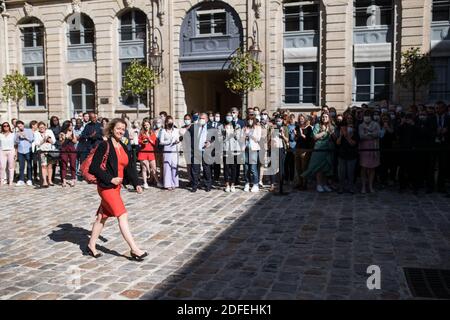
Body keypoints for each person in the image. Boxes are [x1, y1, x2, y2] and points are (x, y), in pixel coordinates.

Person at [87, 118, 147, 261]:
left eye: (123, 129)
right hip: (107, 187)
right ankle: (134, 249)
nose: (121, 131)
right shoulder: (104, 145)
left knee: (102, 217)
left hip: (117, 187)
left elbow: (129, 166)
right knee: (122, 215)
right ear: (112, 129)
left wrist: (136, 183)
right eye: (118, 128)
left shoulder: (123, 145)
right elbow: (93, 168)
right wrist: (110, 179)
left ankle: (91, 245)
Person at [302, 113, 335, 193]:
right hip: (319, 148)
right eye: (323, 117)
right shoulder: (317, 125)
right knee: (318, 167)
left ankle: (324, 184)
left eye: (326, 117)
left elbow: (334, 137)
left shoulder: (332, 126)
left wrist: (331, 133)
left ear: (329, 118)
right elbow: (314, 137)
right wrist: (324, 132)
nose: (324, 118)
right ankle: (319, 184)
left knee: (326, 167)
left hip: (328, 149)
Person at [188, 113, 213, 192]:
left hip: (206, 151)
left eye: (203, 118)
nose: (201, 120)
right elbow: (186, 134)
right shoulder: (194, 127)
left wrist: (210, 142)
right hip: (196, 151)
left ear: (207, 119)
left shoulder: (210, 127)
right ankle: (194, 186)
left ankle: (207, 185)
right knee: (195, 169)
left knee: (207, 169)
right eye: (200, 118)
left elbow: (214, 138)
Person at [359, 110, 380, 193]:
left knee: (372, 168)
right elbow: (361, 136)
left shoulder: (376, 124)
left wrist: (368, 134)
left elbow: (378, 134)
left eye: (368, 115)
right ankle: (363, 186)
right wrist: (371, 134)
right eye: (365, 115)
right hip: (364, 148)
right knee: (363, 168)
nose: (366, 117)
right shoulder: (361, 125)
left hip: (374, 148)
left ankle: (370, 186)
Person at [336, 115, 359, 194]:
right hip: (342, 154)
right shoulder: (342, 129)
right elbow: (338, 143)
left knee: (351, 173)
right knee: (341, 173)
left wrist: (347, 136)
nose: (349, 120)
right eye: (347, 118)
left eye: (351, 118)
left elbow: (353, 143)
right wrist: (341, 135)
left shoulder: (355, 130)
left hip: (352, 154)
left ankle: (351, 187)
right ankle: (341, 187)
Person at [241, 113, 262, 192]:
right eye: (248, 120)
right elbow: (241, 138)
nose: (250, 121)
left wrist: (249, 134)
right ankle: (247, 183)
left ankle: (255, 184)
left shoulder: (257, 128)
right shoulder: (244, 128)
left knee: (253, 168)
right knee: (246, 168)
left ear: (254, 120)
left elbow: (257, 139)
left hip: (253, 149)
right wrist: (244, 136)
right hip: (245, 149)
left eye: (251, 120)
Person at [159, 116, 180, 191]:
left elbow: (178, 138)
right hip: (167, 149)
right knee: (167, 167)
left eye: (172, 121)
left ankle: (175, 183)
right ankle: (168, 184)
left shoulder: (176, 130)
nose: (170, 123)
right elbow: (161, 142)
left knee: (174, 166)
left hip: (174, 149)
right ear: (166, 123)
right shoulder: (163, 131)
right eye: (169, 122)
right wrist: (168, 142)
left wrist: (177, 141)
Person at [222, 112, 241, 192]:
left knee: (233, 168)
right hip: (226, 149)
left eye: (230, 116)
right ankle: (227, 184)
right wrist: (225, 132)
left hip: (234, 149)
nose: (229, 117)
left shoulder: (237, 126)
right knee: (226, 168)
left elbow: (238, 137)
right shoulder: (222, 126)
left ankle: (233, 184)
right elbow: (220, 138)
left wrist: (233, 131)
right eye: (228, 115)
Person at [137, 119, 159, 189]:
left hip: (151, 152)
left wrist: (148, 137)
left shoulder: (152, 133)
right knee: (144, 168)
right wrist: (142, 142)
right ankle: (145, 182)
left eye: (147, 125)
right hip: (143, 152)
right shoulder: (141, 133)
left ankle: (158, 182)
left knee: (154, 168)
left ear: (150, 125)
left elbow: (154, 143)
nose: (146, 126)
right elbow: (138, 141)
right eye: (145, 125)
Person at [34, 121, 57, 188]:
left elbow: (54, 141)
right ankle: (45, 181)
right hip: (42, 151)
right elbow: (37, 143)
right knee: (43, 166)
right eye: (40, 127)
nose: (42, 128)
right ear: (38, 128)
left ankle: (50, 180)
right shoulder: (36, 133)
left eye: (43, 127)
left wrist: (49, 139)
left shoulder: (49, 131)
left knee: (50, 166)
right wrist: (44, 139)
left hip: (50, 150)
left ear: (45, 127)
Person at [295, 114, 313, 190]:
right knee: (298, 167)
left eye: (302, 119)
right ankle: (300, 182)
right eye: (299, 119)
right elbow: (296, 139)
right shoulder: (297, 127)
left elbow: (309, 139)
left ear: (305, 119)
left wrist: (302, 134)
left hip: (305, 150)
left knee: (304, 167)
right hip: (297, 149)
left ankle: (305, 184)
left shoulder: (309, 128)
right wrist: (295, 135)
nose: (300, 120)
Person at [15, 120, 35, 186]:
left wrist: (25, 136)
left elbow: (32, 140)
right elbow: (16, 142)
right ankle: (21, 180)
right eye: (18, 127)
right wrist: (17, 137)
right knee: (21, 166)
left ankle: (29, 179)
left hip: (28, 150)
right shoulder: (17, 132)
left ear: (23, 125)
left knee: (29, 165)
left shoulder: (29, 131)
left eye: (20, 126)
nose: (20, 127)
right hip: (20, 151)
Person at [59, 120, 78, 187]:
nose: (71, 127)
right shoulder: (62, 133)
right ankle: (63, 180)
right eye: (70, 125)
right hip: (64, 149)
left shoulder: (73, 132)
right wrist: (64, 138)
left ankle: (73, 179)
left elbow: (75, 141)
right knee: (64, 164)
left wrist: (70, 138)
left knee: (73, 164)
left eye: (71, 125)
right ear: (66, 126)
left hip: (71, 148)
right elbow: (61, 143)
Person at [285, 114, 297, 185]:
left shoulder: (297, 126)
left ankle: (292, 179)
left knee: (292, 163)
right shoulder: (287, 126)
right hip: (288, 145)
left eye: (293, 118)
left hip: (294, 146)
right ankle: (286, 178)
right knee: (286, 163)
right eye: (291, 118)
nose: (292, 120)